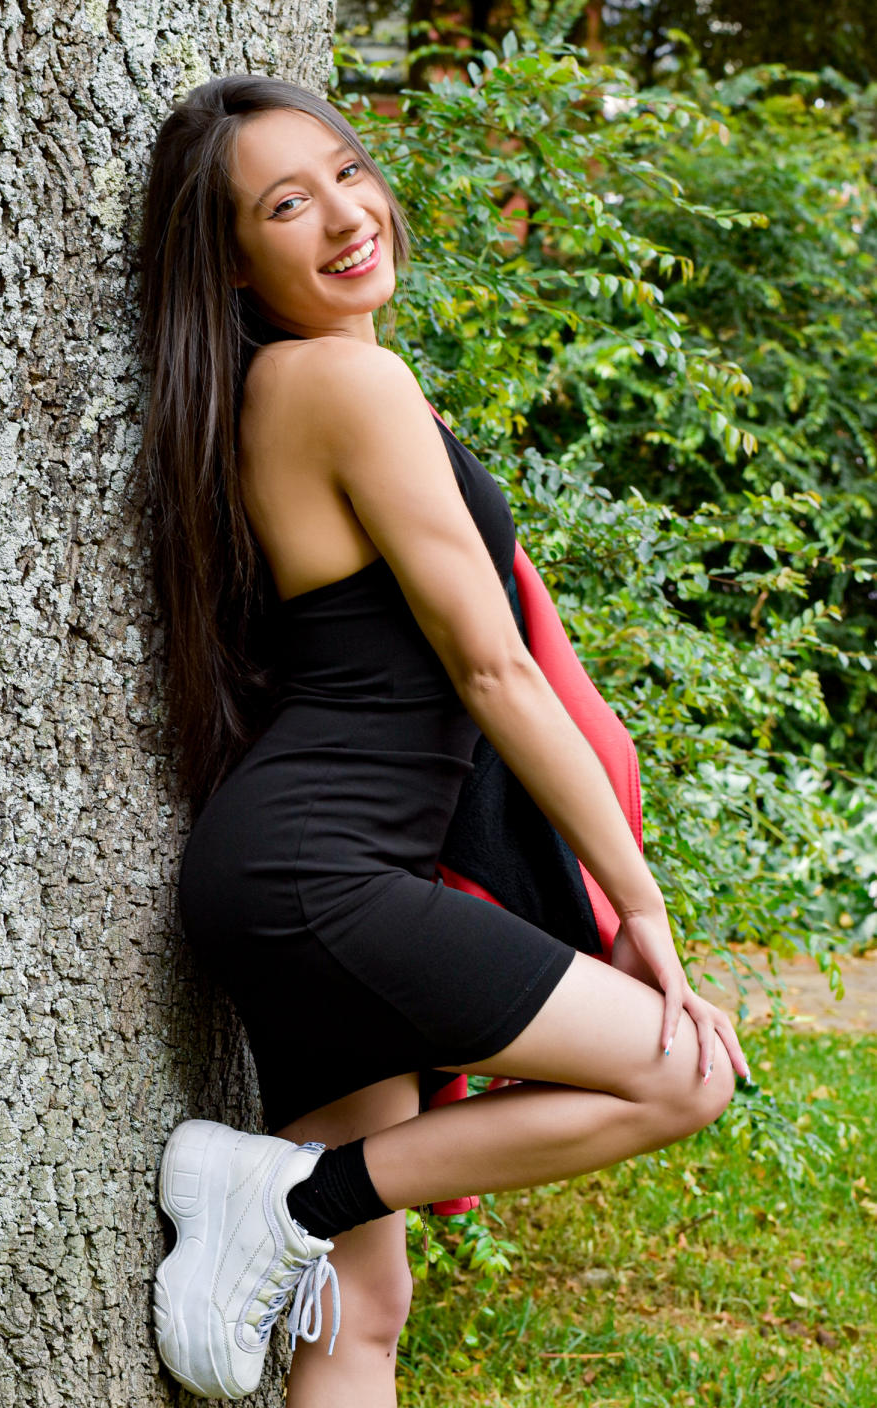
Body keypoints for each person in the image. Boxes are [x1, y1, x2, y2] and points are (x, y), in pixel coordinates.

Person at [137, 73, 749, 1405]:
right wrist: (639, 909)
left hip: (295, 878)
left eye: (348, 171)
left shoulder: (263, 393)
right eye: (285, 206)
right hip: (325, 879)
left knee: (361, 1311)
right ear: (232, 267)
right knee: (681, 1076)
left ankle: (289, 1200)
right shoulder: (345, 381)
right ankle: (287, 1195)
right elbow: (493, 669)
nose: (344, 214)